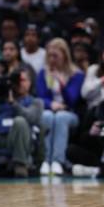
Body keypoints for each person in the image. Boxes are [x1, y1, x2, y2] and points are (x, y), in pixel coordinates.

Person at [36, 38, 85, 175]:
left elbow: (72, 100)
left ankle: (58, 160)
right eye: (49, 56)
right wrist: (50, 104)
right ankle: (46, 160)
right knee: (47, 115)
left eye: (55, 56)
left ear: (64, 55)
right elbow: (40, 97)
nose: (52, 59)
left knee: (61, 117)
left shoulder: (76, 74)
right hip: (50, 111)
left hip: (70, 113)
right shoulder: (42, 73)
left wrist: (61, 82)